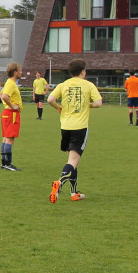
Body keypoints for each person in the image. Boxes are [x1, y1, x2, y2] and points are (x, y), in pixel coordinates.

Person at [47, 58, 103, 203]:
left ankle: (74, 193)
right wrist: (88, 105)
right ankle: (59, 183)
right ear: (83, 72)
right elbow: (99, 103)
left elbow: (50, 99)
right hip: (80, 127)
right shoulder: (88, 85)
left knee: (72, 161)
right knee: (73, 161)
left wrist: (58, 107)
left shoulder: (63, 84)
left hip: (65, 127)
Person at [0, 62, 23, 171]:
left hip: (6, 113)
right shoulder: (11, 84)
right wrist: (12, 106)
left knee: (5, 138)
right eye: (20, 70)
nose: (21, 72)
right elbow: (4, 96)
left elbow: (1, 94)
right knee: (10, 139)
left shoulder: (8, 83)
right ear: (15, 72)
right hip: (11, 114)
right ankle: (8, 164)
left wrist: (7, 105)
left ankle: (4, 163)